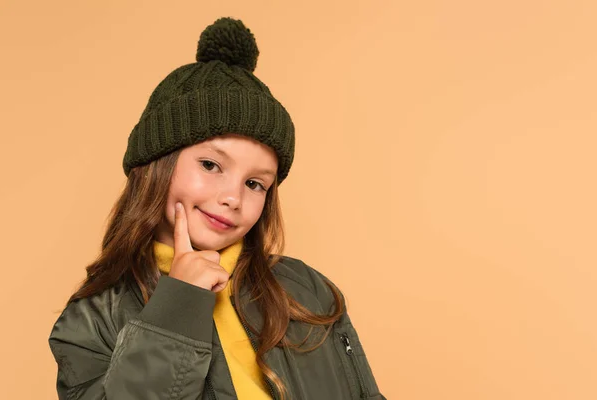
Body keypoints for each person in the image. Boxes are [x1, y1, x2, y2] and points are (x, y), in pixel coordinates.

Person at [47, 16, 386, 400]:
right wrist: (178, 304)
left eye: (255, 183)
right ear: (156, 162)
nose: (233, 198)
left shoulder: (305, 290)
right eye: (210, 165)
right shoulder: (91, 319)